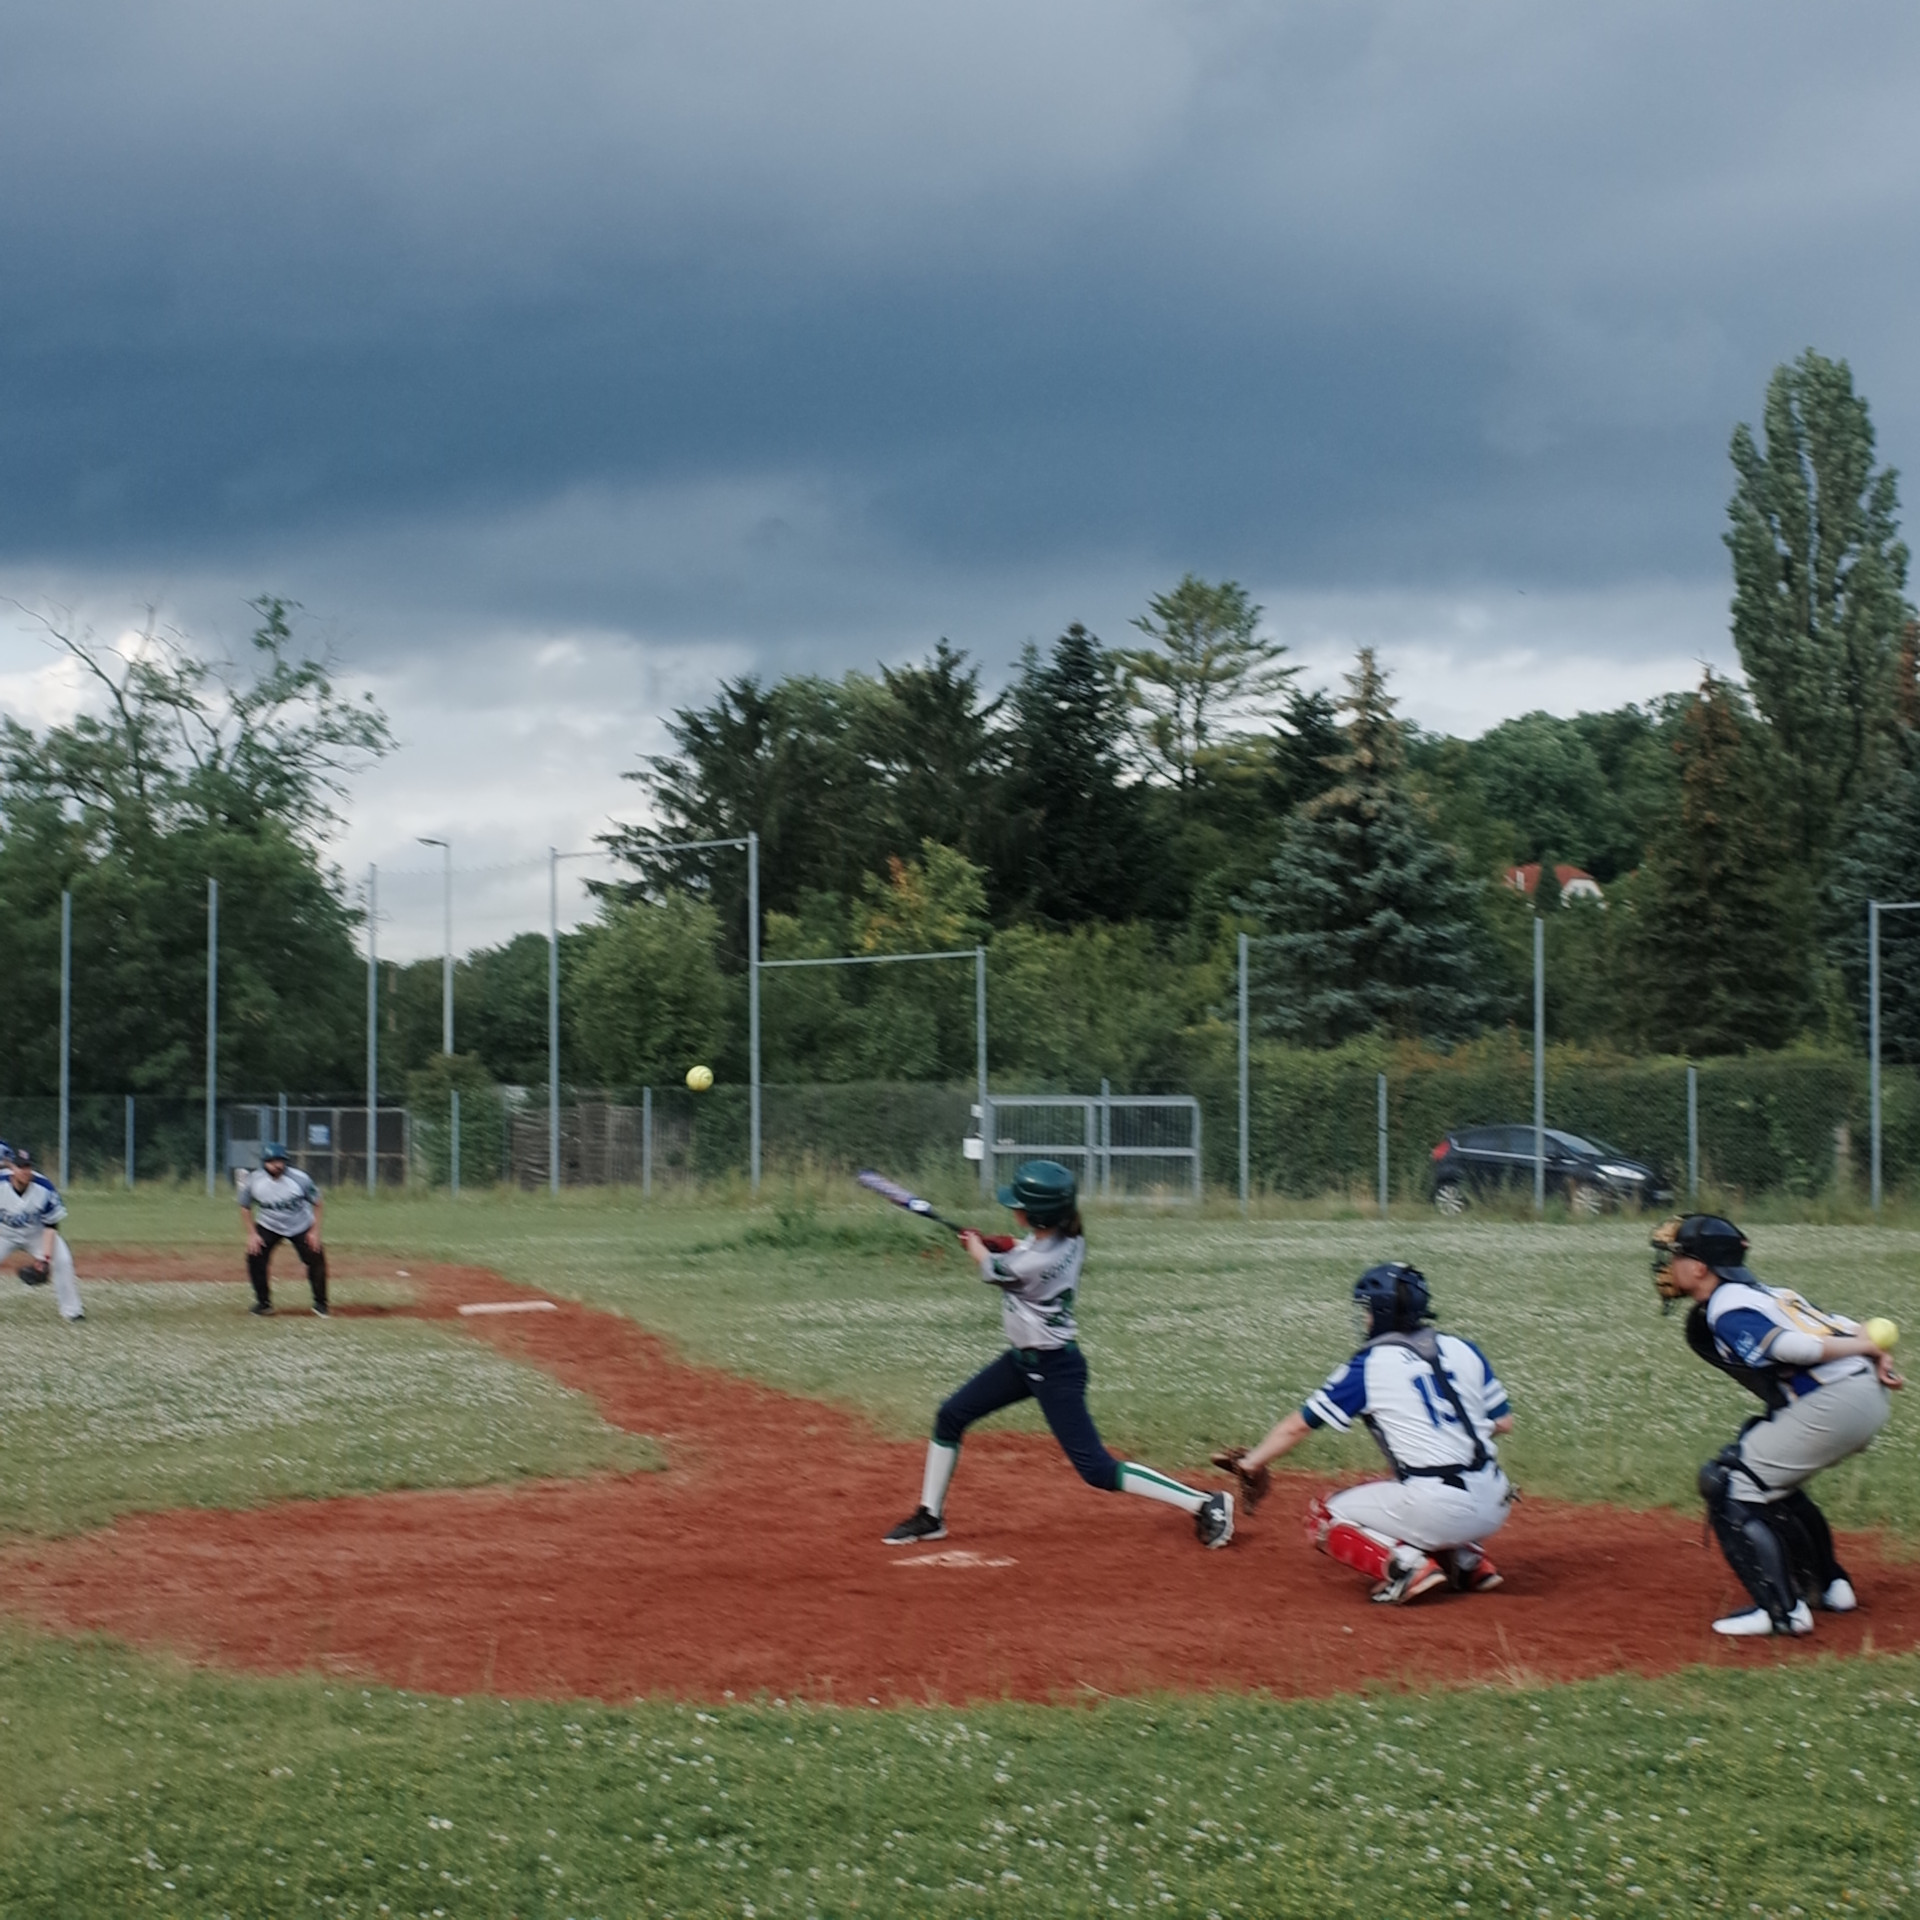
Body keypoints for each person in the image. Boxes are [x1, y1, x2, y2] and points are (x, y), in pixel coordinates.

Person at [882, 1159, 1234, 1550]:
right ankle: (930, 1516)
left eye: (1018, 1204)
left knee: (1097, 1469)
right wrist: (997, 1242)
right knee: (951, 1415)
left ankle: (1204, 1502)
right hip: (1023, 1363)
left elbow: (992, 1266)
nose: (1012, 1207)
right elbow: (1020, 1249)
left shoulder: (1029, 1264)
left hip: (1054, 1371)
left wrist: (977, 1246)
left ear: (1036, 1214)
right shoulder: (1068, 1239)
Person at [1651, 1214, 1899, 1638]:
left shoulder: (1726, 1307)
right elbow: (1839, 1325)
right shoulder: (1764, 1293)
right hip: (1861, 1396)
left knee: (1730, 1484)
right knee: (1770, 1479)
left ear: (1699, 1267)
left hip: (1834, 1402)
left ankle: (1781, 1610)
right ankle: (1830, 1586)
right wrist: (1874, 1351)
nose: (1665, 1266)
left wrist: (1865, 1346)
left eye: (1675, 1257)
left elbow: (1793, 1347)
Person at [1213, 1264, 1513, 1605]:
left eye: (1367, 1309)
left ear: (1383, 1312)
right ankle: (1470, 1563)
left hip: (1439, 1508)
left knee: (1325, 1514)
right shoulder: (1464, 1349)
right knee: (1410, 1488)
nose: (1364, 1317)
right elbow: (1503, 1423)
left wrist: (1252, 1463)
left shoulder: (1369, 1365)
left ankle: (1407, 1567)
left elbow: (1298, 1425)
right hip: (1496, 1500)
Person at [238, 1141, 328, 1316]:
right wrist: (252, 1234)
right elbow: (244, 1206)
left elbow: (318, 1203)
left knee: (315, 1256)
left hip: (300, 1225)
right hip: (269, 1225)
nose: (277, 1165)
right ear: (264, 1163)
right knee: (254, 1256)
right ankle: (263, 1304)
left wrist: (314, 1231)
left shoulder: (299, 1179)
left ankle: (321, 1304)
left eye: (280, 1161)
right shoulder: (254, 1181)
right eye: (272, 1161)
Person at [0, 1147, 84, 1322]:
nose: (25, 1171)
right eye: (20, 1166)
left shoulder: (44, 1188)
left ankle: (72, 1312)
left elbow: (51, 1225)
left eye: (28, 1167)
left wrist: (45, 1259)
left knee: (63, 1260)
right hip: (3, 1234)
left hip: (35, 1233)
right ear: (11, 1168)